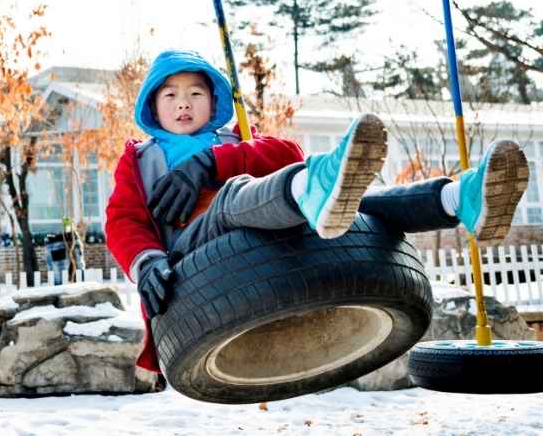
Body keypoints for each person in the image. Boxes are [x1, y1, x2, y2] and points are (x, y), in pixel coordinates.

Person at [105, 49, 529, 374]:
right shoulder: (142, 159)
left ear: (212, 101)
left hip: (260, 231)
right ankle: (316, 189)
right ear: (153, 106)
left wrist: (213, 161)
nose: (184, 103)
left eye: (195, 93)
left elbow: (288, 153)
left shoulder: (233, 142)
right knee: (241, 195)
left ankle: (460, 199)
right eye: (171, 94)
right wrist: (147, 262)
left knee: (353, 203)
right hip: (193, 256)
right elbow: (123, 220)